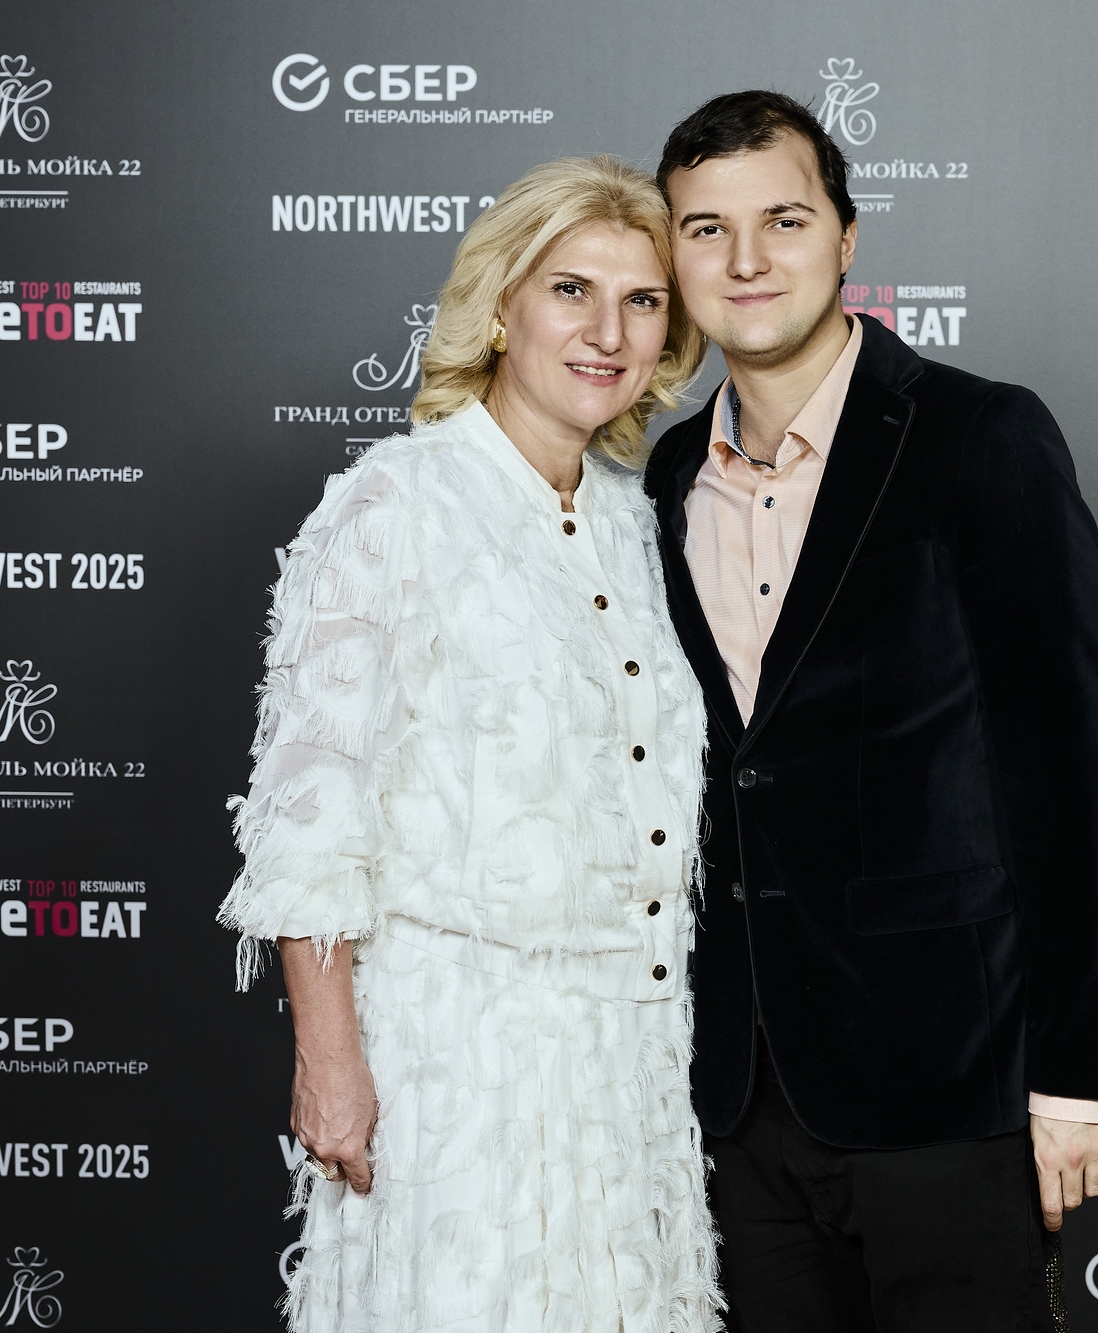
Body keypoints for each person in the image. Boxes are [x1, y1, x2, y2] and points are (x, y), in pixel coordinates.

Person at [644, 92, 1098, 1331]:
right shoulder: (662, 474)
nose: (746, 260)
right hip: (733, 1094)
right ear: (674, 257)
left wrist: (1079, 1073)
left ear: (846, 237)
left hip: (945, 1079)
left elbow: (1071, 770)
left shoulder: (981, 436)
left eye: (782, 219)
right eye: (706, 229)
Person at [220, 155, 723, 1333]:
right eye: (570, 291)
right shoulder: (396, 502)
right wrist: (329, 1060)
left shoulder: (637, 521)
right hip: (455, 1061)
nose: (608, 332)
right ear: (501, 307)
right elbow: (310, 815)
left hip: (630, 1054)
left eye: (642, 300)